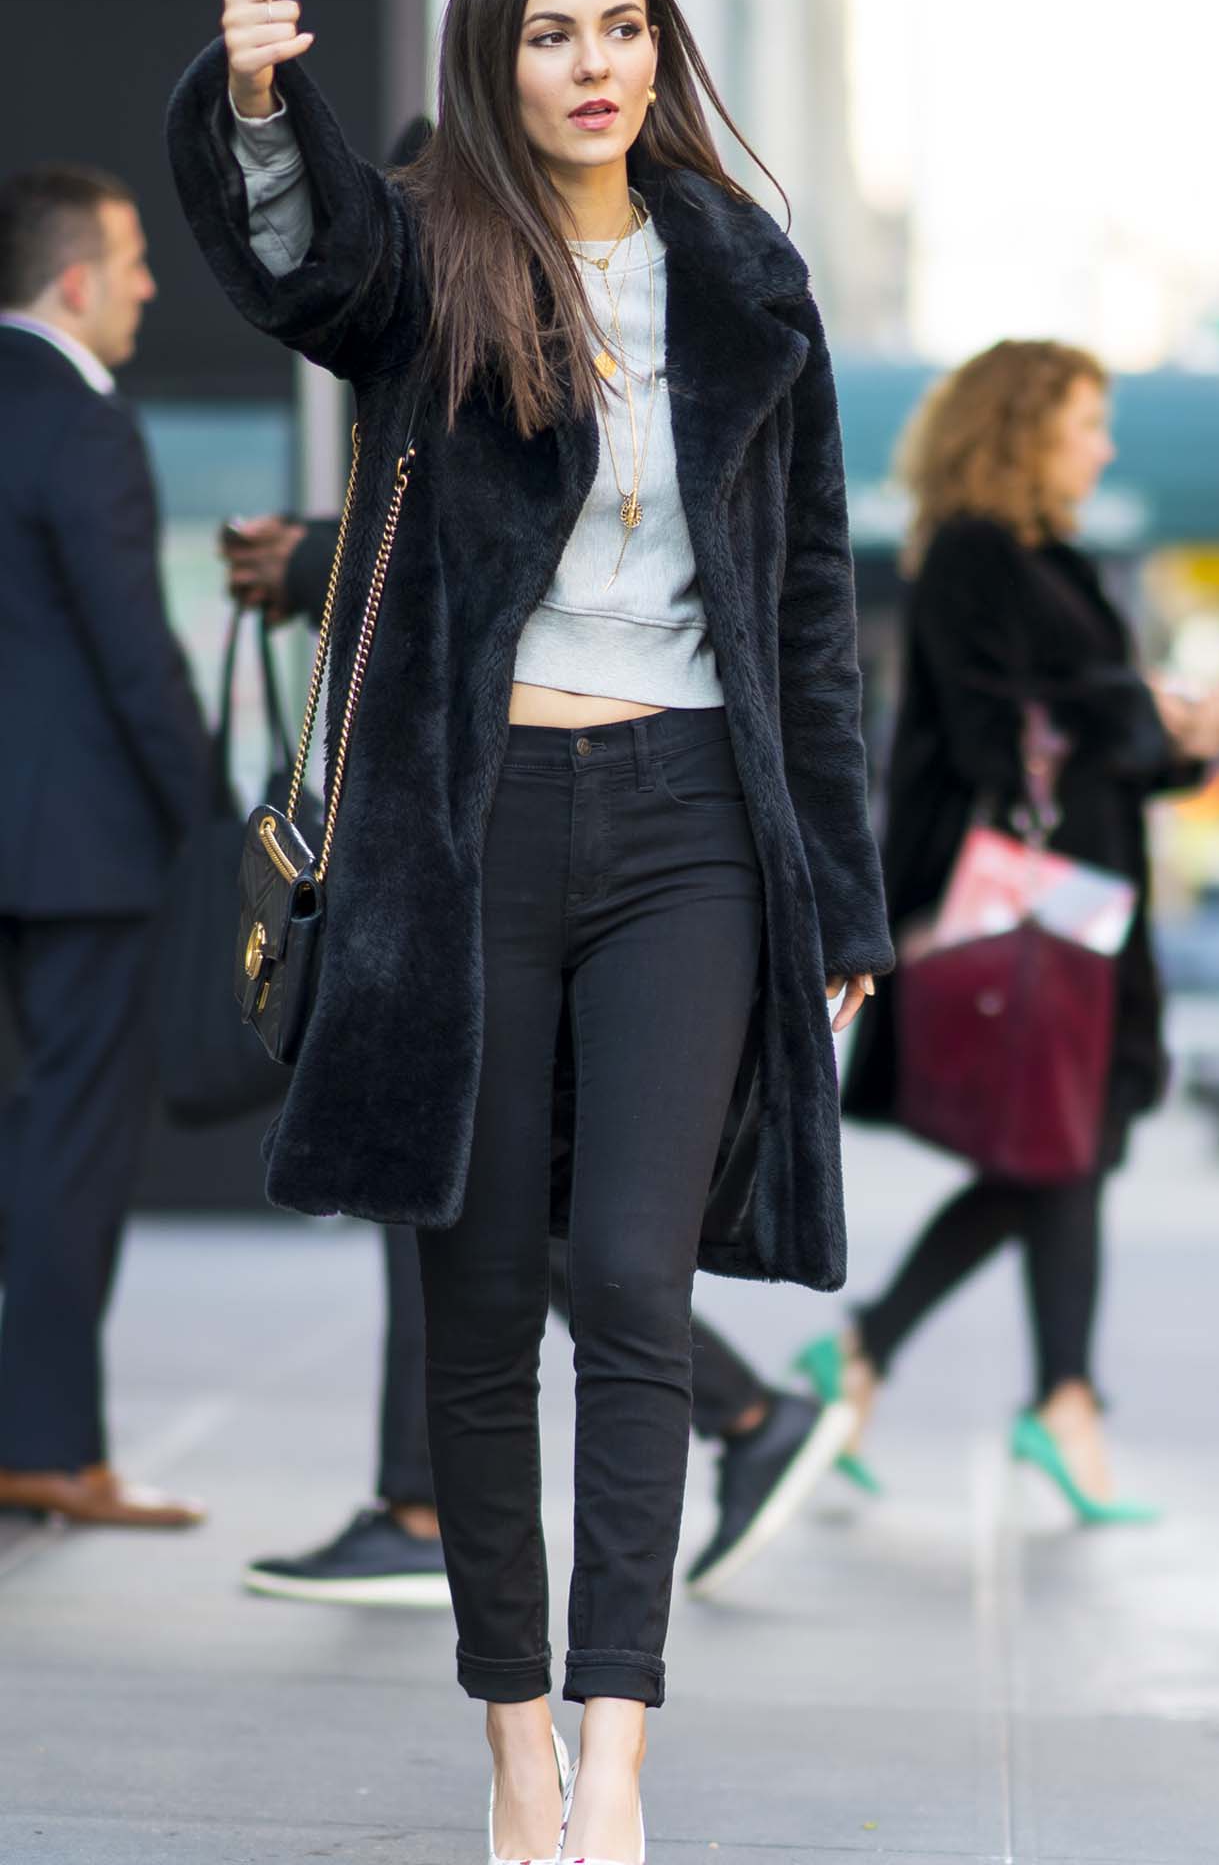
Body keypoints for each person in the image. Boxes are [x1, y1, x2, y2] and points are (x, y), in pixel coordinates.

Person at [167, 0, 890, 1865]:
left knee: (634, 1289)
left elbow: (808, 606)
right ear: (496, 63)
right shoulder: (436, 257)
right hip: (469, 825)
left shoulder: (744, 275)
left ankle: (616, 1751)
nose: (595, 64)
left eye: (623, 25)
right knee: (484, 1300)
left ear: (660, 50)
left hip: (690, 825)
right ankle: (510, 1732)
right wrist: (253, 102)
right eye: (553, 33)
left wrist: (839, 897)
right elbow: (296, 264)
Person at [219, 513, 855, 1610]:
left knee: (546, 1206)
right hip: (489, 803)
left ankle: (449, 1502)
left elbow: (546, 535)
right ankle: (717, 1425)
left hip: (635, 805)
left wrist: (316, 555)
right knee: (475, 1192)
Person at [835, 341, 1219, 1518]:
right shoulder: (972, 554)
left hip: (1085, 909)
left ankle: (952, 1372)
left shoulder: (1055, 561)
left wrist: (1174, 741)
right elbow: (993, 730)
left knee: (1064, 1152)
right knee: (1059, 1152)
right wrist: (1145, 711)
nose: (1103, 448)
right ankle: (1035, 1395)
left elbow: (1090, 746)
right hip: (1034, 913)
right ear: (1021, 430)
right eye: (1084, 424)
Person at [0, 165, 212, 1529]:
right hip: (78, 852)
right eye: (132, 262)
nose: (145, 286)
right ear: (75, 282)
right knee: (72, 1139)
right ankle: (45, 1447)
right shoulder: (83, 421)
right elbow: (135, 648)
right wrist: (211, 813)